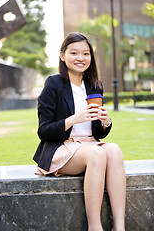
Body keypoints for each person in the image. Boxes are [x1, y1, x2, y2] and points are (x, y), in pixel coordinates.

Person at [33, 32, 126, 231]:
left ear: (91, 57)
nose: (80, 58)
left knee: (115, 150)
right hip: (62, 148)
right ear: (62, 55)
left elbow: (98, 134)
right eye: (74, 53)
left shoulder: (94, 85)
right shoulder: (54, 83)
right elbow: (43, 131)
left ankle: (120, 226)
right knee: (97, 152)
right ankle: (95, 227)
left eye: (86, 54)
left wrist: (105, 121)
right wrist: (73, 120)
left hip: (89, 144)